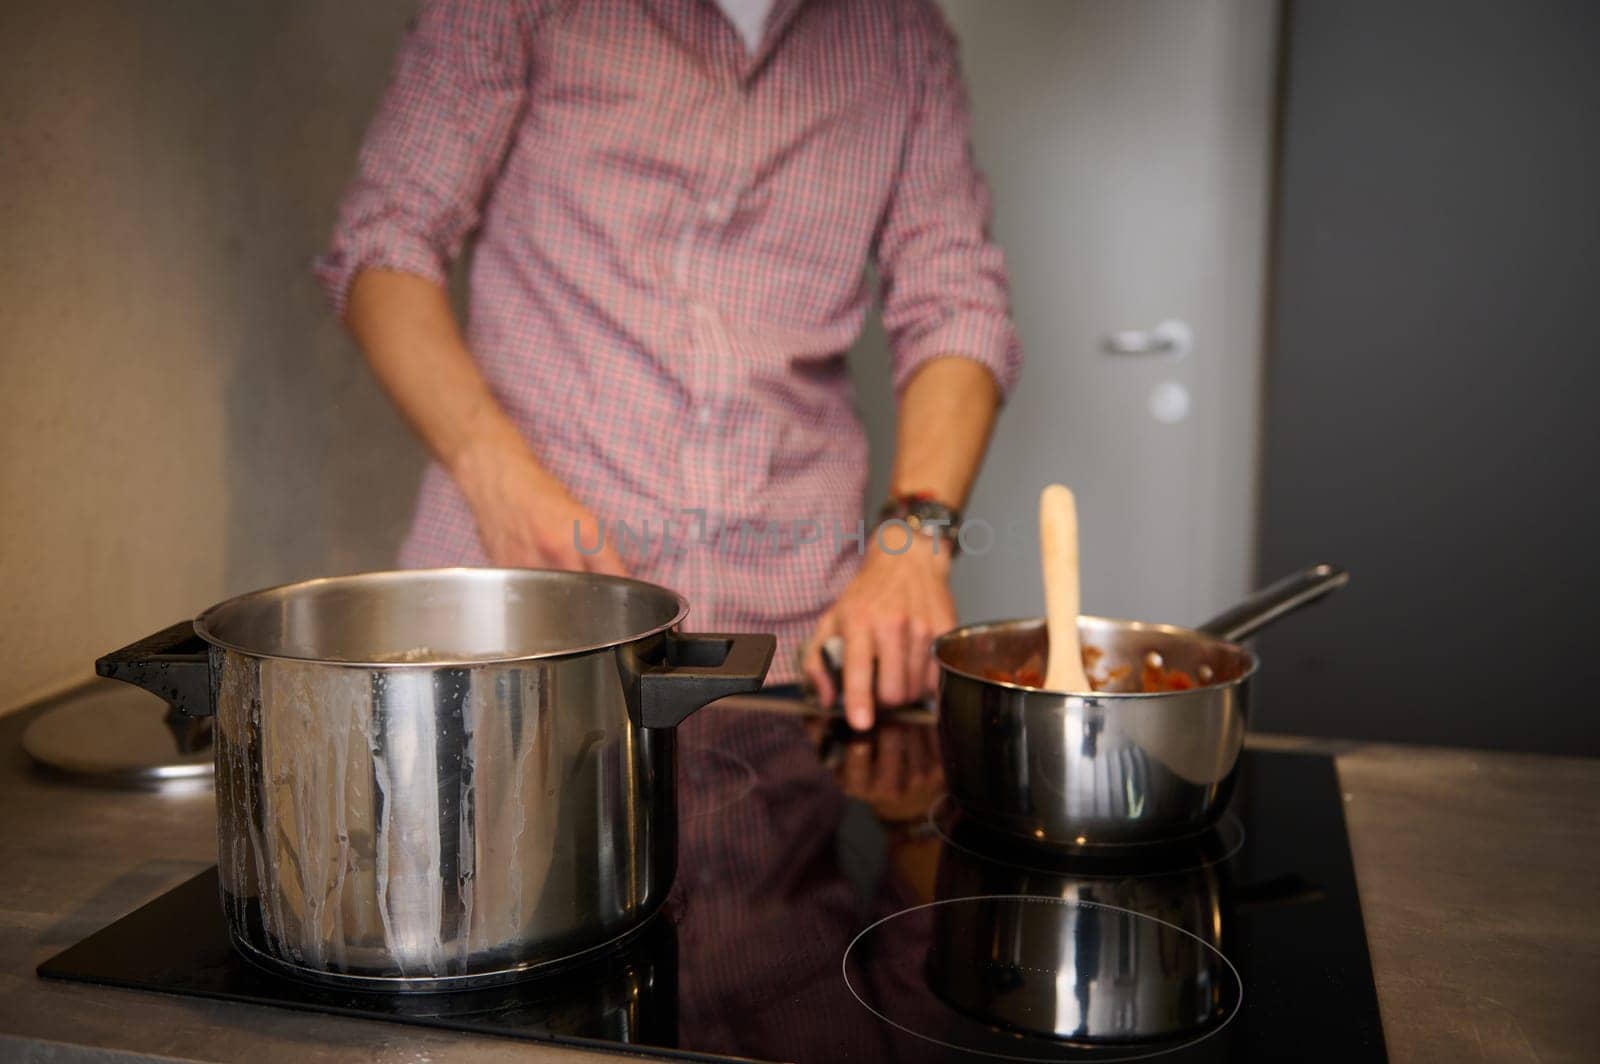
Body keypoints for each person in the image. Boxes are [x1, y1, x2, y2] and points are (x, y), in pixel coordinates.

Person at [316, 0, 1021, 729]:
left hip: (792, 660)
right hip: (515, 625)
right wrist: (499, 481)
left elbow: (954, 304)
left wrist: (915, 542)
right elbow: (386, 243)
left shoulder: (902, 33)